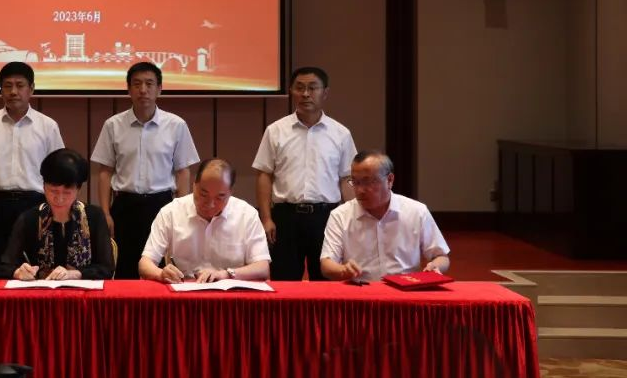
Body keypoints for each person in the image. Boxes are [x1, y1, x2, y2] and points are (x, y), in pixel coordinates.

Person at [91, 61, 200, 278]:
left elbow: (183, 171)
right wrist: (105, 213)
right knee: (124, 269)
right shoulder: (113, 125)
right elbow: (105, 171)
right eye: (137, 84)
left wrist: (181, 211)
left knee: (161, 269)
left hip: (161, 205)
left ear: (159, 89)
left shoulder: (176, 125)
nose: (143, 90)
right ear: (128, 89)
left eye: (149, 84)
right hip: (125, 206)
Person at [252, 66, 356, 281]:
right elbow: (264, 175)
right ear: (291, 91)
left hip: (326, 217)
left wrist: (352, 218)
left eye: (312, 88)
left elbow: (346, 178)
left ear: (325, 93)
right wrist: (266, 218)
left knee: (327, 280)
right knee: (284, 280)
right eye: (299, 88)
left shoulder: (341, 133)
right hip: (286, 217)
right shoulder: (276, 130)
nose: (306, 94)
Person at [0, 62, 65, 278]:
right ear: (0, 90)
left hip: (35, 206)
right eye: (7, 86)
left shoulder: (48, 126)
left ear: (31, 89)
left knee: (37, 271)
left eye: (20, 85)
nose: (13, 91)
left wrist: (58, 213)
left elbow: (59, 175)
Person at [320, 150, 451, 281]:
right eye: (355, 182)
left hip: (405, 288)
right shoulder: (340, 215)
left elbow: (441, 256)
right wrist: (343, 270)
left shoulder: (417, 212)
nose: (359, 190)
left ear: (389, 180)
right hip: (360, 289)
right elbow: (326, 264)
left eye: (367, 182)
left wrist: (435, 266)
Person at [139, 158, 271, 283]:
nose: (210, 204)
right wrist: (161, 274)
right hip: (182, 292)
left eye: (220, 197)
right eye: (203, 194)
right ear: (194, 185)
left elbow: (262, 267)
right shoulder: (171, 212)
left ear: (230, 192)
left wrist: (226, 274)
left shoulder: (247, 215)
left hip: (231, 294)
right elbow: (145, 263)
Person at [0, 149, 114, 280]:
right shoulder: (29, 218)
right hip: (41, 290)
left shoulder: (94, 216)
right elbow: (4, 266)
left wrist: (75, 274)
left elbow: (106, 268)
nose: (60, 199)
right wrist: (18, 272)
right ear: (44, 187)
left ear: (78, 189)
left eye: (67, 192)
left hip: (82, 291)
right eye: (53, 191)